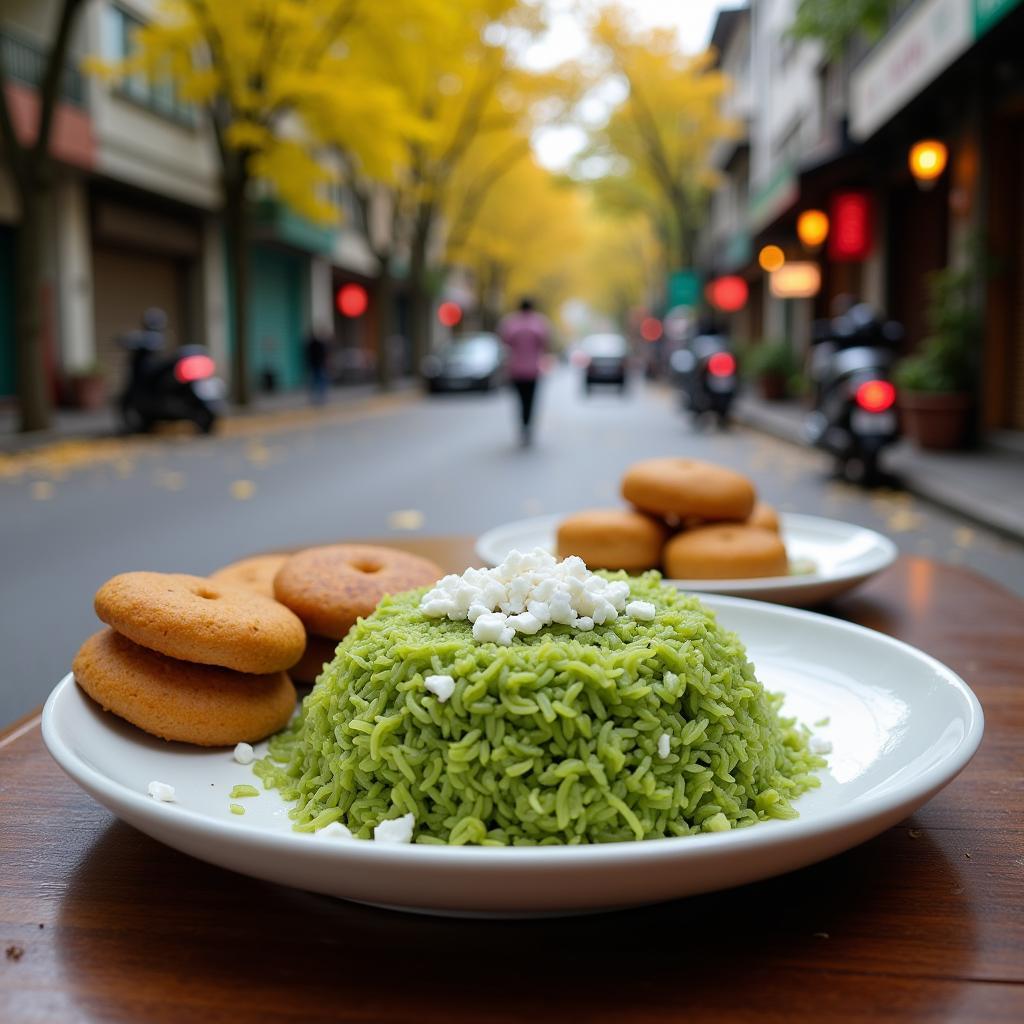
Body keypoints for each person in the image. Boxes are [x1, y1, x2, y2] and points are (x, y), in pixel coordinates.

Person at [498, 297, 551, 447]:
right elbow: (545, 343)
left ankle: (523, 425)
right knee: (531, 400)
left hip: (516, 369)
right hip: (533, 370)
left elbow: (505, 341)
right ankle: (528, 426)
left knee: (520, 400)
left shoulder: (510, 323)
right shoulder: (539, 323)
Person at [304, 329, 330, 405]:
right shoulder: (319, 344)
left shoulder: (310, 345)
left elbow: (307, 356)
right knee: (320, 381)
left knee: (315, 381)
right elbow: (324, 355)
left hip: (314, 365)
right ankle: (321, 396)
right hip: (319, 365)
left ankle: (315, 397)